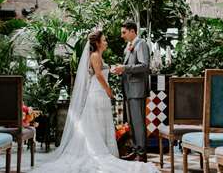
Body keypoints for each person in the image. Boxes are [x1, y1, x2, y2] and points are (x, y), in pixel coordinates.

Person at [30, 30, 158, 173]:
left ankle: (102, 149)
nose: (106, 42)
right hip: (97, 93)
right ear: (97, 43)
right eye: (104, 40)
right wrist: (108, 90)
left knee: (99, 123)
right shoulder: (95, 55)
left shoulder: (99, 56)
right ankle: (96, 151)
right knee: (95, 123)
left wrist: (114, 69)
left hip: (100, 93)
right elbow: (98, 75)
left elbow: (101, 70)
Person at [112, 21, 150, 162]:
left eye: (124, 32)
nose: (122, 35)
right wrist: (120, 70)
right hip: (128, 89)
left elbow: (144, 66)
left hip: (137, 89)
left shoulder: (141, 44)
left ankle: (142, 153)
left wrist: (125, 68)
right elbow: (128, 67)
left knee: (138, 122)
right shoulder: (127, 47)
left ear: (133, 31)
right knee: (132, 123)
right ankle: (135, 149)